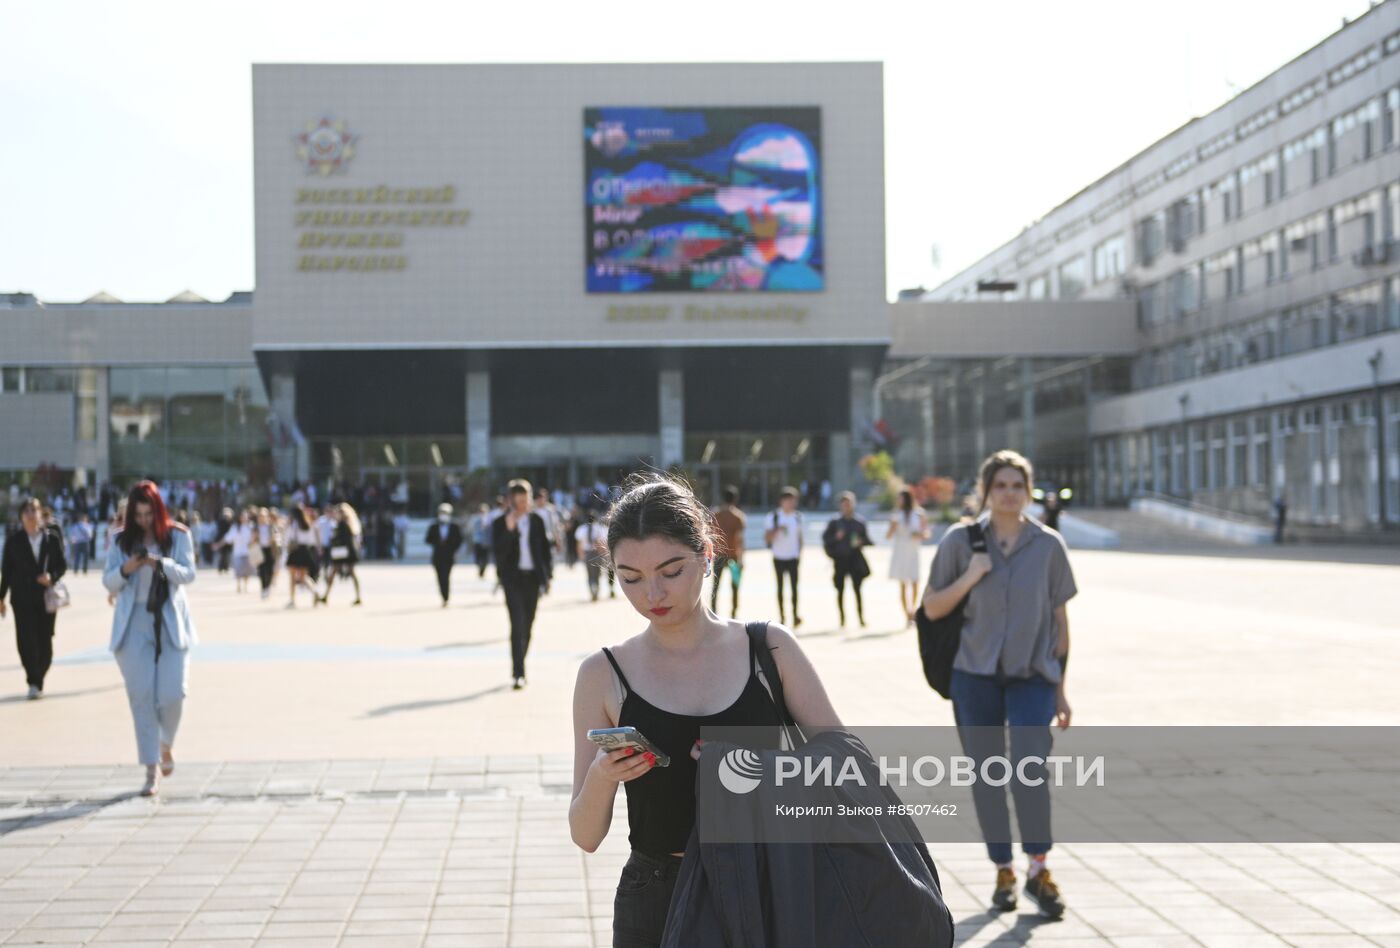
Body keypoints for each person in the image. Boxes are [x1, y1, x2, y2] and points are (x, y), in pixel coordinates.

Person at [568, 474, 843, 947]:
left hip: (770, 882)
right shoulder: (602, 673)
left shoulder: (769, 649)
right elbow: (585, 835)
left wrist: (757, 767)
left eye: (671, 571)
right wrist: (603, 774)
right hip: (657, 894)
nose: (652, 594)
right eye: (630, 579)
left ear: (707, 555)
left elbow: (849, 767)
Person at [923, 449, 1077, 919]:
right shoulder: (960, 541)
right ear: (986, 490)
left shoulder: (1049, 546)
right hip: (975, 676)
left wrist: (1061, 688)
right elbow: (931, 608)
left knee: (1030, 766)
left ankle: (1038, 867)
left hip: (1033, 676)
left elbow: (1060, 621)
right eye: (1000, 485)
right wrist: (971, 575)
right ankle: (1003, 870)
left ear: (1029, 492)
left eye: (1017, 485)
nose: (1009, 494)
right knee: (989, 776)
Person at [102, 481, 198, 797]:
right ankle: (150, 769)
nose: (143, 520)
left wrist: (159, 562)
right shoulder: (120, 540)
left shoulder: (178, 535)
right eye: (138, 514)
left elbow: (189, 574)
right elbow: (109, 582)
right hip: (134, 623)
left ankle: (165, 743)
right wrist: (129, 566)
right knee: (141, 696)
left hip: (169, 620)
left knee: (173, 693)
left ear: (158, 511)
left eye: (148, 514)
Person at [0, 497, 67, 699]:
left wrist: (51, 577)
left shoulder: (51, 538)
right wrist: (1, 597)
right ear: (21, 516)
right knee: (26, 641)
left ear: (40, 514)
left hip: (45, 599)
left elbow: (62, 565)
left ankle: (39, 676)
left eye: (34, 510)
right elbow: (7, 571)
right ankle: (33, 681)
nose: (31, 514)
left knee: (45, 644)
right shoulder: (13, 542)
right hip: (21, 599)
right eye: (27, 511)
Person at [492, 479, 552, 690]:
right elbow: (498, 554)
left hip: (533, 579)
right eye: (517, 501)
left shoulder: (537, 520)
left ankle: (521, 661)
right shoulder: (501, 522)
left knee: (528, 624)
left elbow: (545, 550)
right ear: (510, 501)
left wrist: (548, 576)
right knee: (517, 624)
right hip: (512, 579)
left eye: (525, 500)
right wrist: (509, 531)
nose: (522, 505)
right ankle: (518, 672)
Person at [822, 491, 871, 629]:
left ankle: (861, 618)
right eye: (844, 504)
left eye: (849, 504)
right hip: (840, 560)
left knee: (857, 590)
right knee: (840, 590)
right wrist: (836, 538)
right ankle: (842, 619)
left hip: (855, 560)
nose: (847, 507)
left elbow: (868, 540)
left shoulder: (859, 522)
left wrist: (862, 541)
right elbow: (826, 540)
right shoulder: (835, 523)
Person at [887, 488, 930, 627]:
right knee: (903, 584)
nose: (898, 501)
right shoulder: (896, 516)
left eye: (900, 498)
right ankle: (907, 614)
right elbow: (888, 536)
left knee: (915, 582)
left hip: (913, 551)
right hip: (900, 551)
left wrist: (920, 535)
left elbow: (926, 533)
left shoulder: (919, 514)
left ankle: (914, 610)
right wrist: (893, 527)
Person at [763, 486, 803, 628]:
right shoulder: (773, 517)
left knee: (794, 587)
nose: (791, 503)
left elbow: (800, 537)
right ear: (782, 501)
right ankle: (782, 616)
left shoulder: (797, 517)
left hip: (793, 557)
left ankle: (795, 614)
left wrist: (800, 554)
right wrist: (776, 529)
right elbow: (767, 538)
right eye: (788, 500)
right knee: (780, 587)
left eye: (793, 501)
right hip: (779, 556)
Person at [710, 485, 746, 618]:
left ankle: (713, 611)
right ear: (735, 499)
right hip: (734, 555)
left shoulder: (716, 514)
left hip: (719, 554)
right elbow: (740, 540)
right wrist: (742, 559)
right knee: (735, 584)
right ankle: (734, 612)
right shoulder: (738, 517)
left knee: (716, 585)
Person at [320, 503, 363, 606]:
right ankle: (327, 596)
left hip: (344, 550)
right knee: (341, 572)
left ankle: (327, 596)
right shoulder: (348, 523)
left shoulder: (344, 523)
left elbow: (340, 537)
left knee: (340, 572)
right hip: (346, 550)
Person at [283, 504, 321, 608]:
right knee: (304, 577)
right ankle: (315, 591)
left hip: (295, 551)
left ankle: (292, 600)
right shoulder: (308, 524)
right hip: (305, 551)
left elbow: (287, 539)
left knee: (292, 577)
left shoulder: (293, 525)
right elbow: (311, 540)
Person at [425, 503, 463, 607]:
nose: (443, 515)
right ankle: (443, 595)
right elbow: (428, 539)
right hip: (437, 556)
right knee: (440, 577)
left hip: (449, 556)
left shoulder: (455, 526)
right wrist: (438, 541)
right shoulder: (434, 526)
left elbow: (459, 540)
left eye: (445, 513)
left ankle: (446, 597)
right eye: (442, 513)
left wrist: (450, 545)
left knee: (446, 577)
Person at [575, 510, 611, 601]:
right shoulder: (601, 528)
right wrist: (605, 553)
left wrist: (581, 555)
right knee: (597, 573)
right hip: (598, 553)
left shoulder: (582, 529)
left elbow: (579, 543)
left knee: (590, 574)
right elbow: (603, 543)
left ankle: (592, 588)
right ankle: (596, 589)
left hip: (588, 553)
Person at [228, 509, 255, 594]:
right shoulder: (235, 527)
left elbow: (254, 537)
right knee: (239, 569)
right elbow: (229, 538)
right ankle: (238, 585)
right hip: (238, 552)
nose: (244, 518)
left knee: (247, 570)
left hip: (248, 552)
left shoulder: (251, 527)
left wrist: (252, 542)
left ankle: (246, 586)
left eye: (245, 517)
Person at [255, 507, 279, 599]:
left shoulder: (271, 526)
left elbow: (277, 536)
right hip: (260, 550)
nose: (261, 518)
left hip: (270, 550)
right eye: (260, 516)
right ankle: (263, 588)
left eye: (263, 516)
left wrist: (273, 539)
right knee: (261, 570)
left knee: (270, 570)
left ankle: (268, 587)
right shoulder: (256, 527)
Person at [470, 503, 493, 578]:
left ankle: (482, 570)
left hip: (486, 542)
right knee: (478, 558)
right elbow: (473, 531)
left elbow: (491, 532)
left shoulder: (490, 521)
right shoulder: (476, 520)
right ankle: (480, 567)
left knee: (485, 558)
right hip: (478, 542)